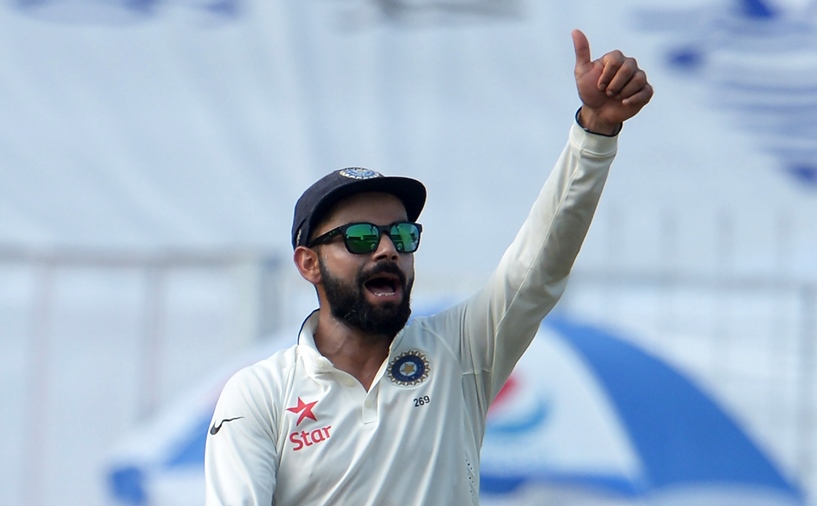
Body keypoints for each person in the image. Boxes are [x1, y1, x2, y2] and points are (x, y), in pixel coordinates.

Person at [205, 28, 652, 505]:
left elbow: (538, 264)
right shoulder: (261, 393)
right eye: (359, 237)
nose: (385, 250)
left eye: (401, 236)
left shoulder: (459, 351)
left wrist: (595, 131)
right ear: (308, 263)